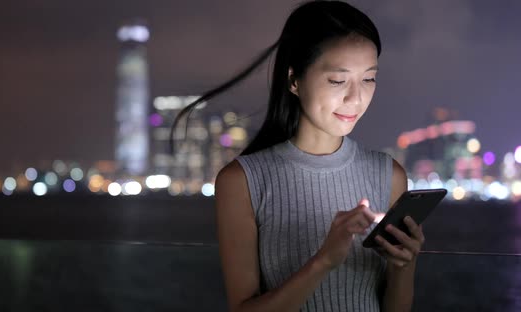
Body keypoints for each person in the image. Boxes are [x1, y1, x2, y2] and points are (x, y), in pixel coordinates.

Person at [172, 1, 423, 311]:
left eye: (369, 79)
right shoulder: (242, 181)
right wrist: (323, 261)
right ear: (294, 79)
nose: (356, 97)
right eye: (337, 80)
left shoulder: (390, 175)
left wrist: (404, 265)